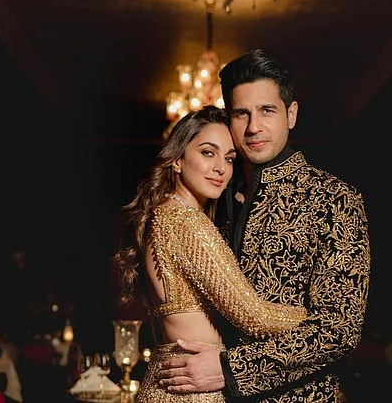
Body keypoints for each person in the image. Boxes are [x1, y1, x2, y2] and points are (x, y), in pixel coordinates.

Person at [157, 48, 371, 402]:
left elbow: (339, 330)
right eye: (241, 113)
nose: (253, 127)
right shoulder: (210, 198)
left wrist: (230, 370)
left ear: (291, 114)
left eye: (267, 111)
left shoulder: (334, 199)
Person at [111, 105, 308, 403]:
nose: (221, 168)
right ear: (177, 160)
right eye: (207, 152)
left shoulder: (163, 215)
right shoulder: (184, 220)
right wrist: (318, 319)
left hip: (169, 385)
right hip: (192, 392)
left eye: (229, 158)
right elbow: (254, 316)